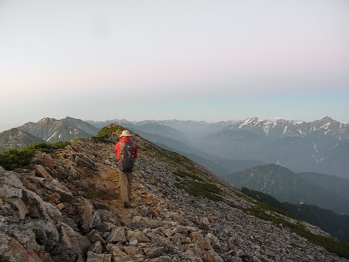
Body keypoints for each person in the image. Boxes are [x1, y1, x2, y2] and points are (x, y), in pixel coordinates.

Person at [115, 130, 138, 208]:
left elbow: (117, 154)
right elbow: (135, 156)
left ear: (122, 136)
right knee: (130, 182)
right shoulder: (134, 144)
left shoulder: (118, 144)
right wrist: (134, 163)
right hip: (131, 165)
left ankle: (125, 200)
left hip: (122, 165)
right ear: (129, 136)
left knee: (123, 182)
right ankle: (128, 197)